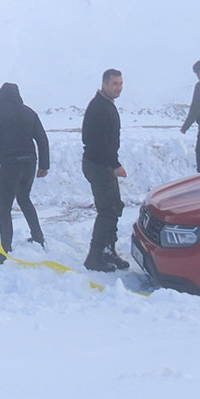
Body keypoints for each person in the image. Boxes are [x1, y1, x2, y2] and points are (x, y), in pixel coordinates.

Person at [0, 82, 50, 263]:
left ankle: (5, 250)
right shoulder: (29, 112)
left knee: (3, 208)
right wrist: (44, 165)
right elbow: (42, 139)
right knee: (24, 199)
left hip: (10, 166)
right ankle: (38, 237)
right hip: (29, 164)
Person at [80, 68, 130, 272]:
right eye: (115, 84)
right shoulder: (99, 107)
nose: (119, 87)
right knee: (107, 210)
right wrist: (115, 164)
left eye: (120, 83)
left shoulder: (106, 104)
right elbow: (97, 142)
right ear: (104, 84)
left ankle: (108, 251)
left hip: (104, 164)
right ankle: (94, 256)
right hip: (98, 164)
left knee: (115, 206)